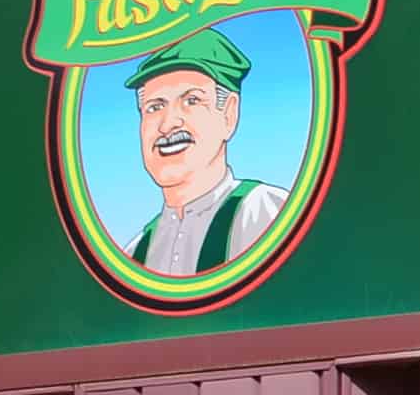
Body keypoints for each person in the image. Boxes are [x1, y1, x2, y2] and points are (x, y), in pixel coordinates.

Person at [109, 27, 289, 276]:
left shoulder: (266, 215)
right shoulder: (135, 253)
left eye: (191, 101)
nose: (167, 124)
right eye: (154, 107)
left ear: (229, 115)